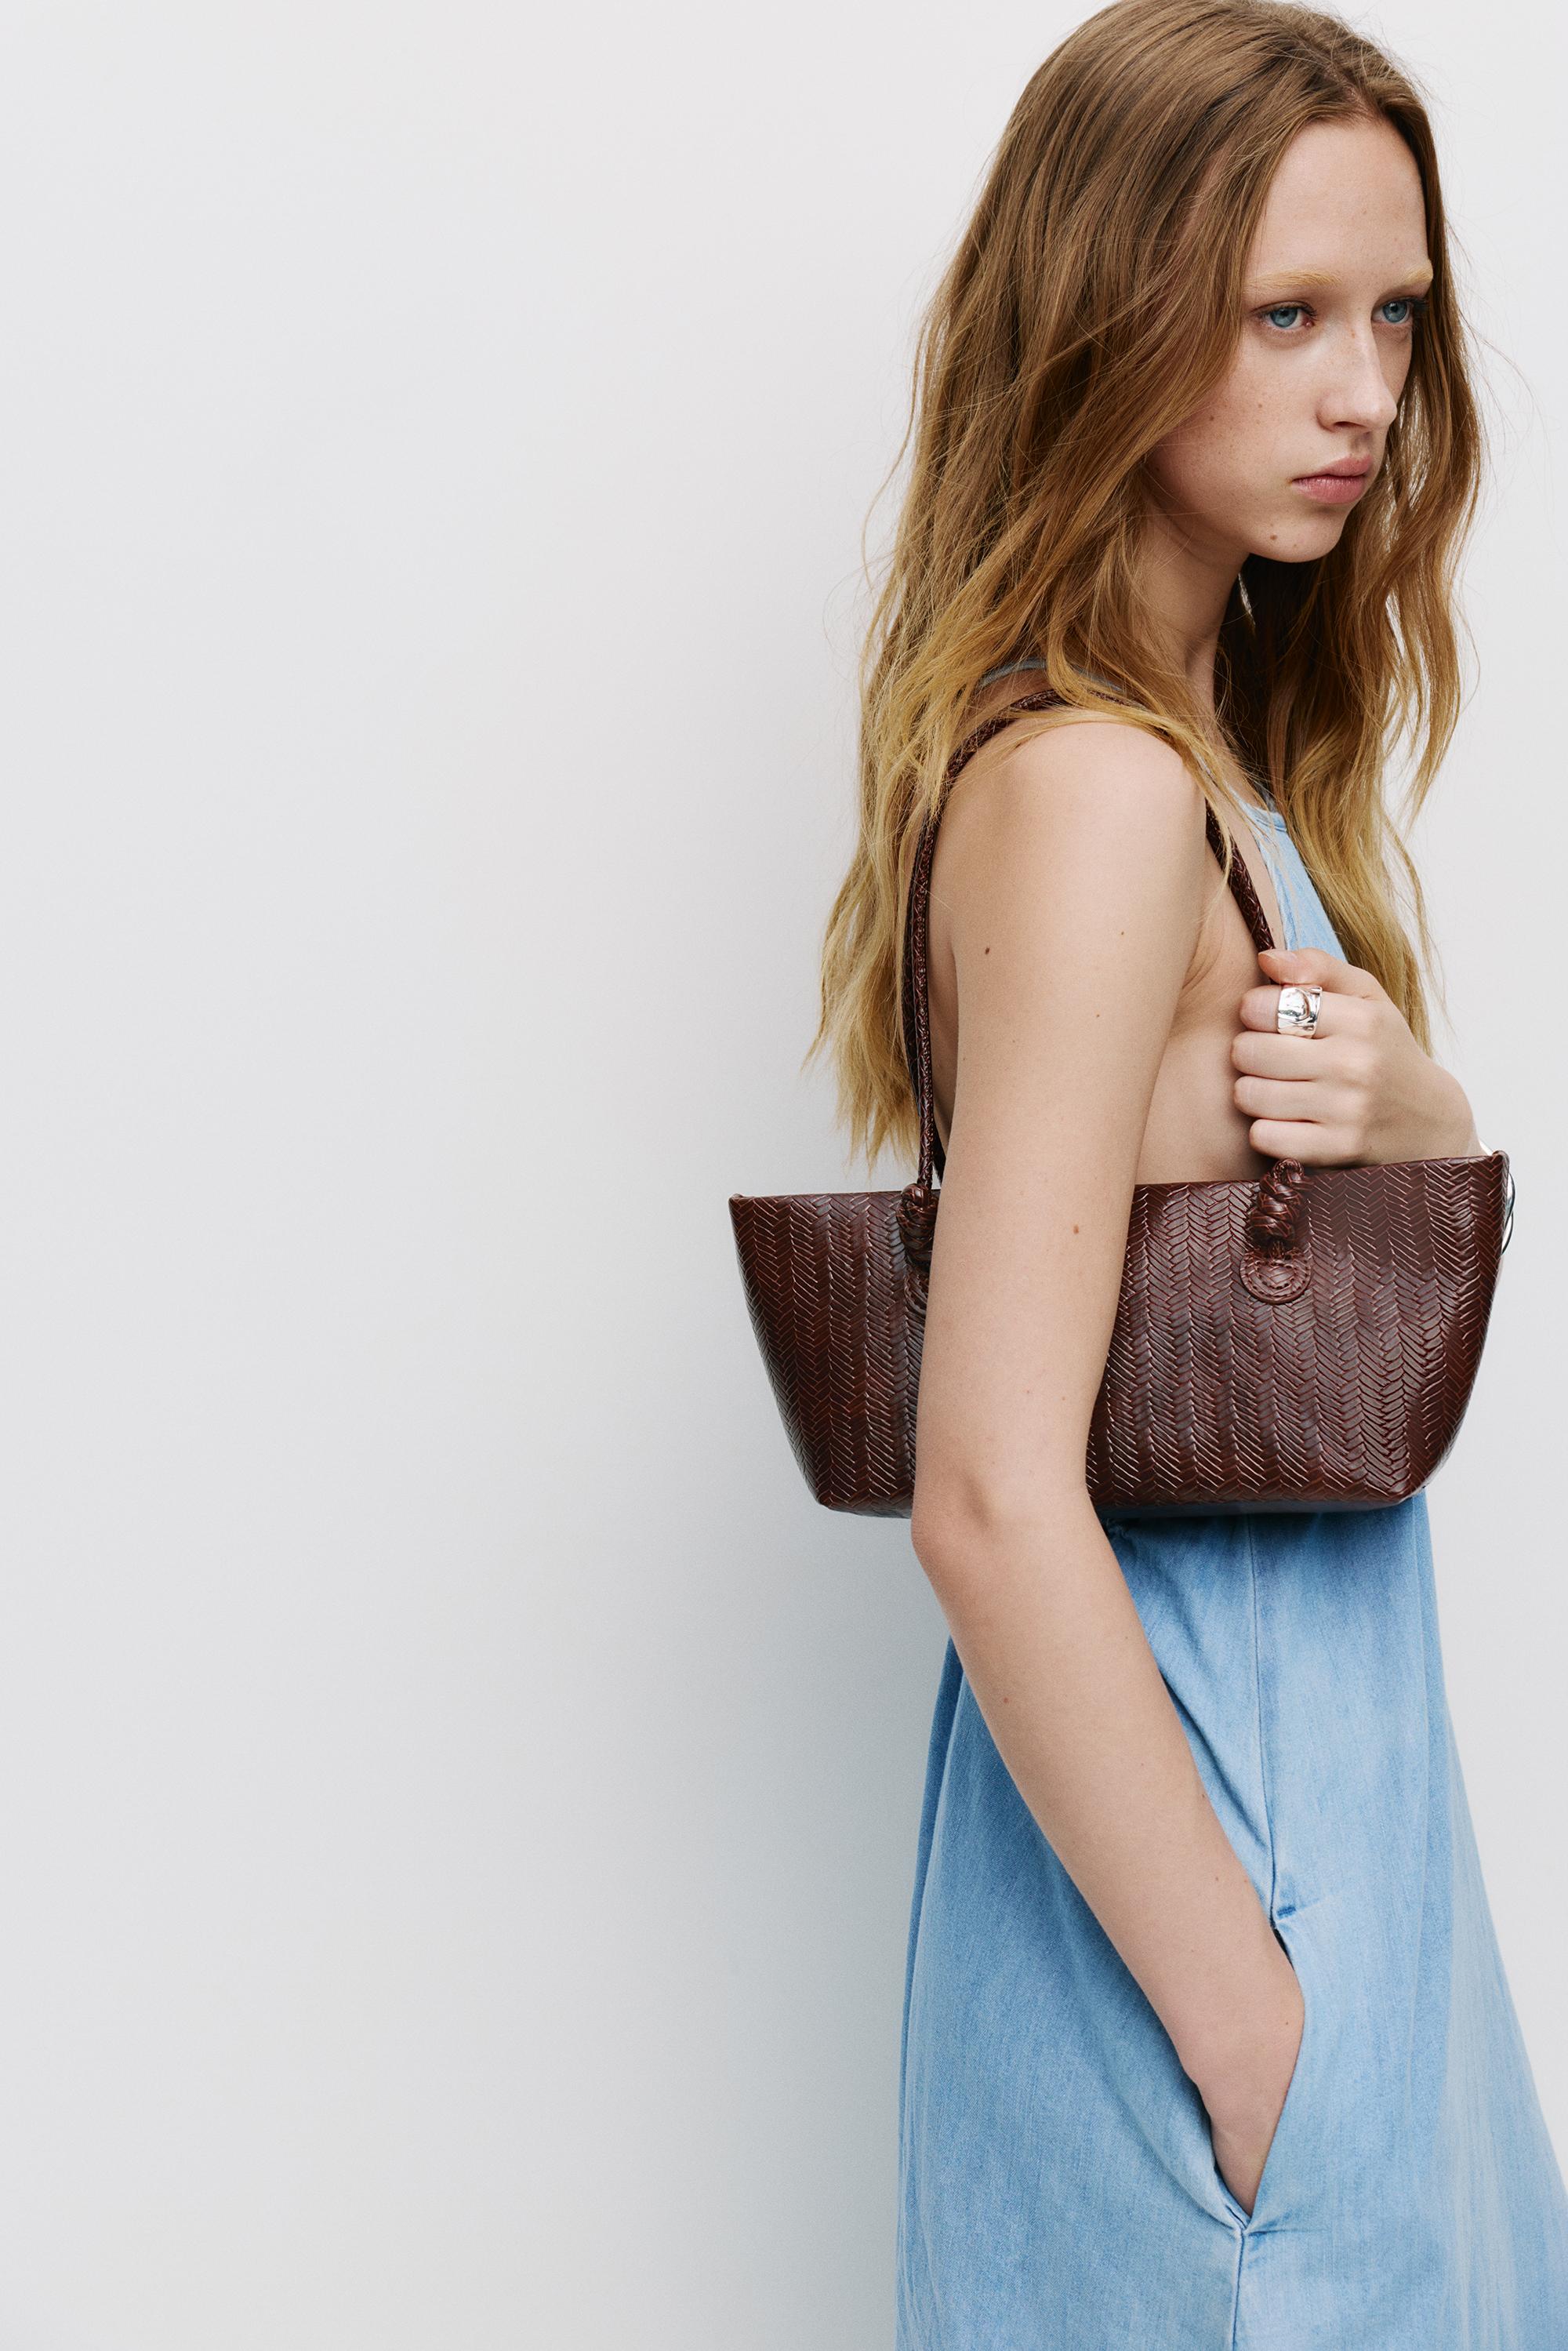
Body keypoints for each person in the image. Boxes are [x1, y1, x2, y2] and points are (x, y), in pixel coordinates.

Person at [808, 2, 1568, 2341]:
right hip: (1219, 1917)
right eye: (1286, 315)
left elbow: (1269, 1283)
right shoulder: (1099, 792)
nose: (1369, 395)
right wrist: (1258, 2042)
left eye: (1398, 319)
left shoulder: (1203, 773)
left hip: (1324, 1872)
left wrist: (1419, 1113)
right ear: (1106, 321)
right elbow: (989, 1493)